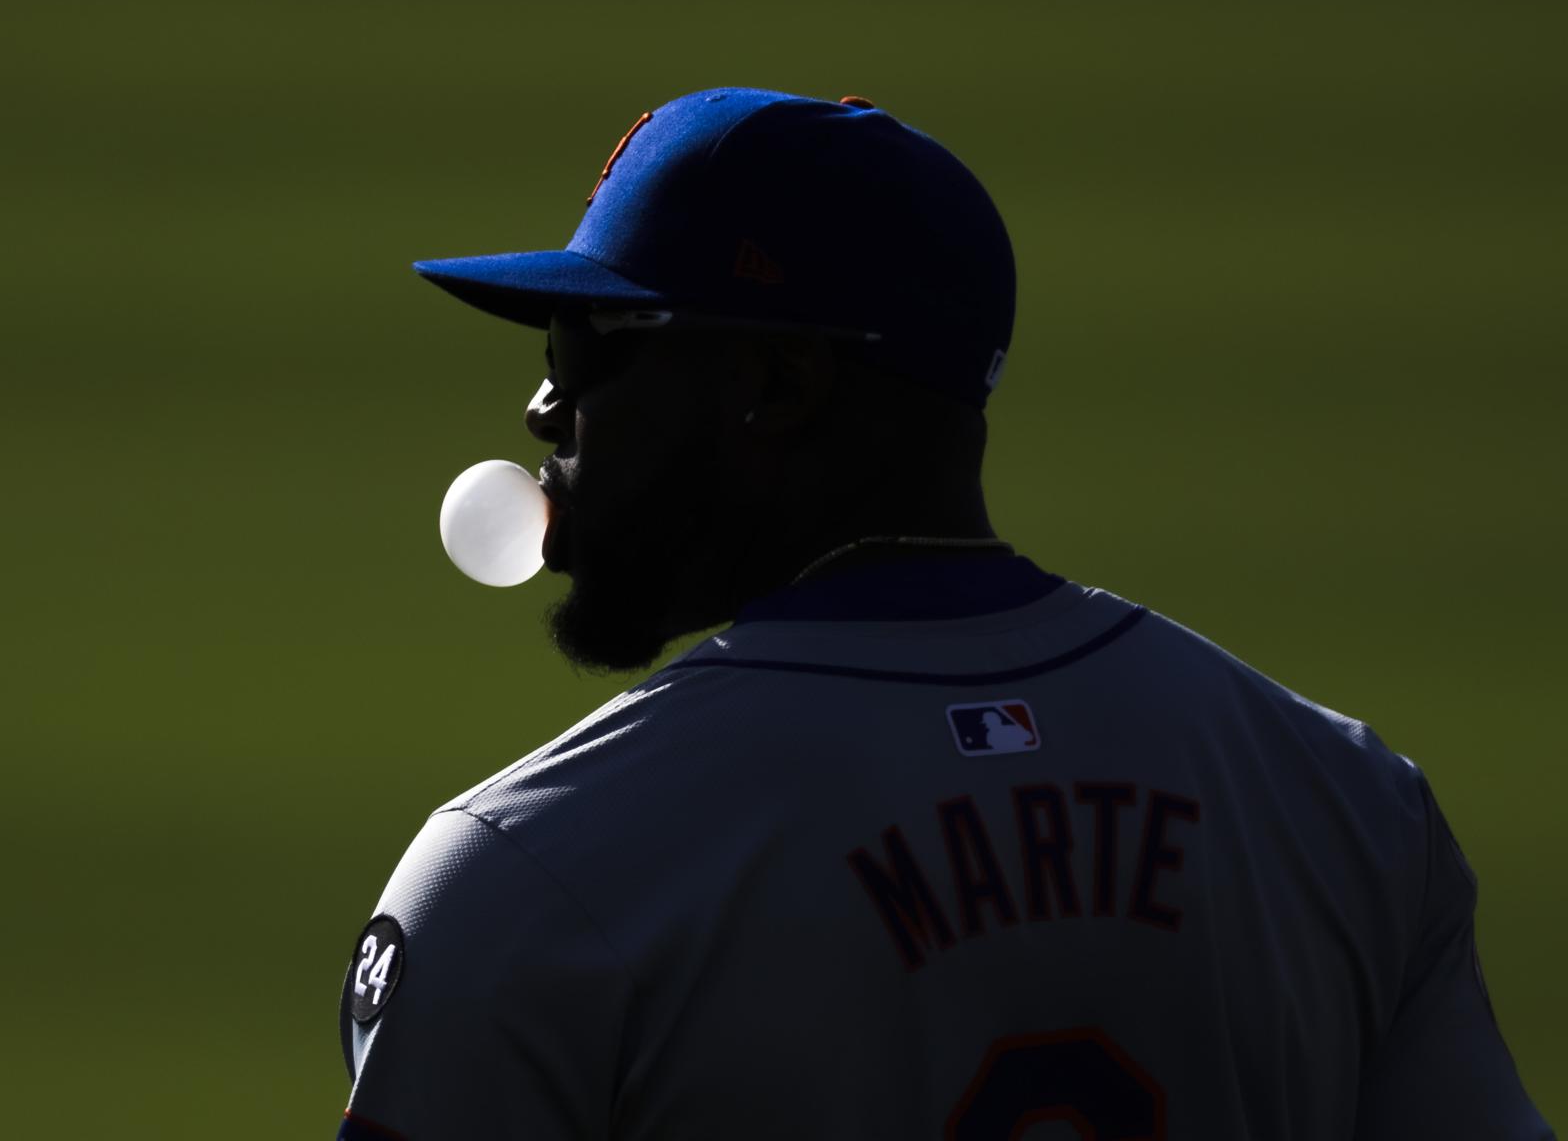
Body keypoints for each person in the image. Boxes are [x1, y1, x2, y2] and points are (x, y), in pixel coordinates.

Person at [334, 87, 1551, 1139]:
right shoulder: (1341, 806)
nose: (546, 410)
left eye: (588, 344)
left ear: (774, 385)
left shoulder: (528, 877)